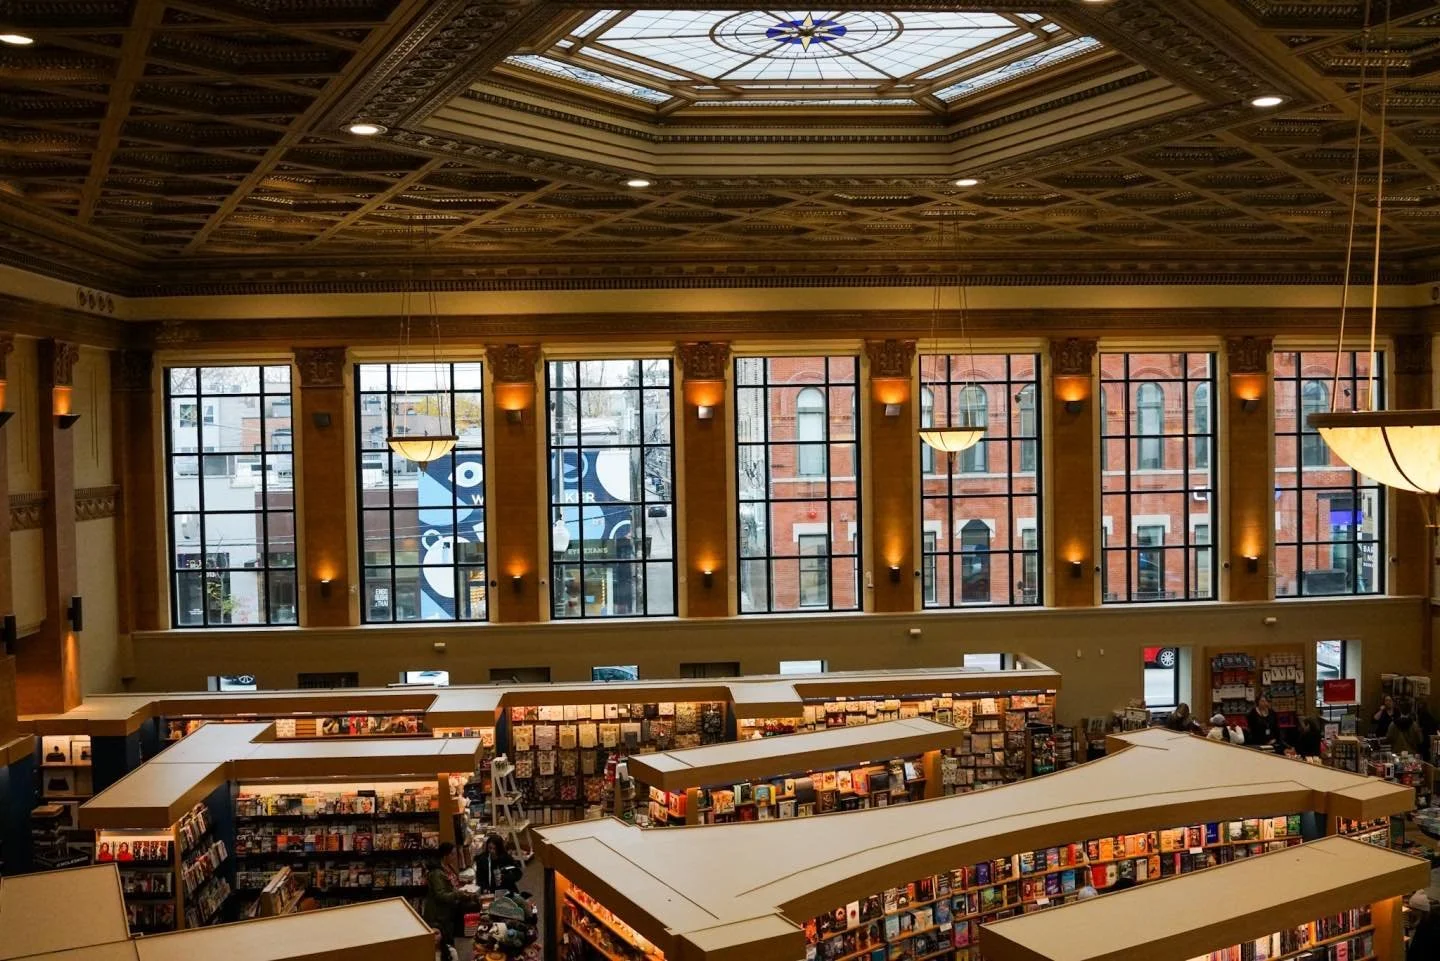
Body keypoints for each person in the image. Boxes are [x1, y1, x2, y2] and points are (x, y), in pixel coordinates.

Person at [422, 842, 478, 958]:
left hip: (447, 912)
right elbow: (441, 895)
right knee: (442, 943)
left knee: (448, 941)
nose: (454, 857)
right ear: (445, 855)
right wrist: (458, 894)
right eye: (452, 854)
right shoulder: (437, 873)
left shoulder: (447, 867)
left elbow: (451, 884)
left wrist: (462, 885)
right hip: (439, 915)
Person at [1408, 891, 1439, 961]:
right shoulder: (1423, 922)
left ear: (1422, 910)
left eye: (1414, 909)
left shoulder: (1433, 928)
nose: (1412, 912)